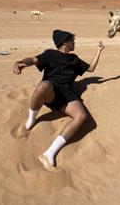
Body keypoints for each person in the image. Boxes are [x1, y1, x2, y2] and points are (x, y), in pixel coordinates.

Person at [13, 29, 105, 171]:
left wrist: (99, 50)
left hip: (67, 94)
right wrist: (20, 62)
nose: (74, 42)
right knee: (44, 85)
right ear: (65, 42)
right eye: (72, 40)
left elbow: (91, 68)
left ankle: (49, 153)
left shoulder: (74, 59)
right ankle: (31, 120)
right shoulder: (50, 54)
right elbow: (32, 60)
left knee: (81, 116)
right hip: (50, 91)